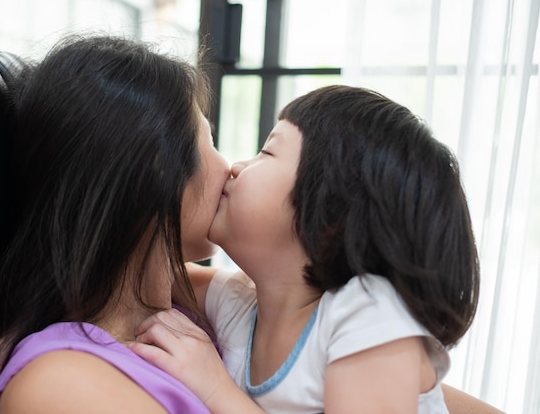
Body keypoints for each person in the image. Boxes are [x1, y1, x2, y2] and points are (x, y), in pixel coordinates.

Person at [130, 84, 482, 414]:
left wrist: (217, 391)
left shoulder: (367, 316)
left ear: (330, 214)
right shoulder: (238, 305)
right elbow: (134, 265)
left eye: (266, 152)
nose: (236, 167)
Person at [0, 34, 232, 414]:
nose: (230, 168)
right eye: (208, 141)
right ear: (154, 173)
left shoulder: (184, 314)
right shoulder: (62, 384)